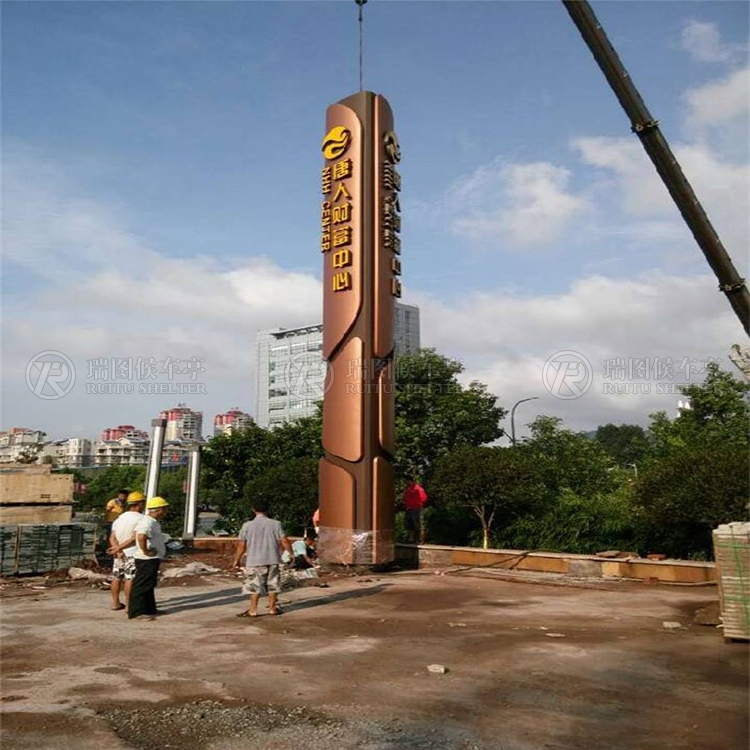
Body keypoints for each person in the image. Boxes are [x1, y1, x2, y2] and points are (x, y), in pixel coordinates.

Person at [232, 501, 293, 618]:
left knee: (255, 586)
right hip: (272, 559)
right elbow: (284, 540)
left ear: (253, 510)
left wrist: (237, 559)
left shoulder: (247, 525)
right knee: (273, 585)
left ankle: (253, 610)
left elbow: (241, 545)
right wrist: (291, 553)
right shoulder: (276, 524)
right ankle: (272, 608)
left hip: (254, 560)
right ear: (268, 510)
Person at [128, 496, 169, 621]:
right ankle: (137, 612)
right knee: (142, 585)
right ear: (159, 509)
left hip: (152, 558)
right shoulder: (147, 522)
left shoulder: (151, 521)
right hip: (146, 559)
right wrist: (145, 551)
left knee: (149, 584)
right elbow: (141, 536)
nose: (165, 511)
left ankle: (149, 608)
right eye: (164, 509)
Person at [107, 491, 145, 611]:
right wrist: (120, 548)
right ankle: (129, 605)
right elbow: (134, 538)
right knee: (130, 578)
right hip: (132, 553)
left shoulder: (119, 519)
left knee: (117, 577)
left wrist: (117, 550)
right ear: (140, 504)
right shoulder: (141, 519)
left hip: (118, 555)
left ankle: (115, 603)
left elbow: (112, 538)